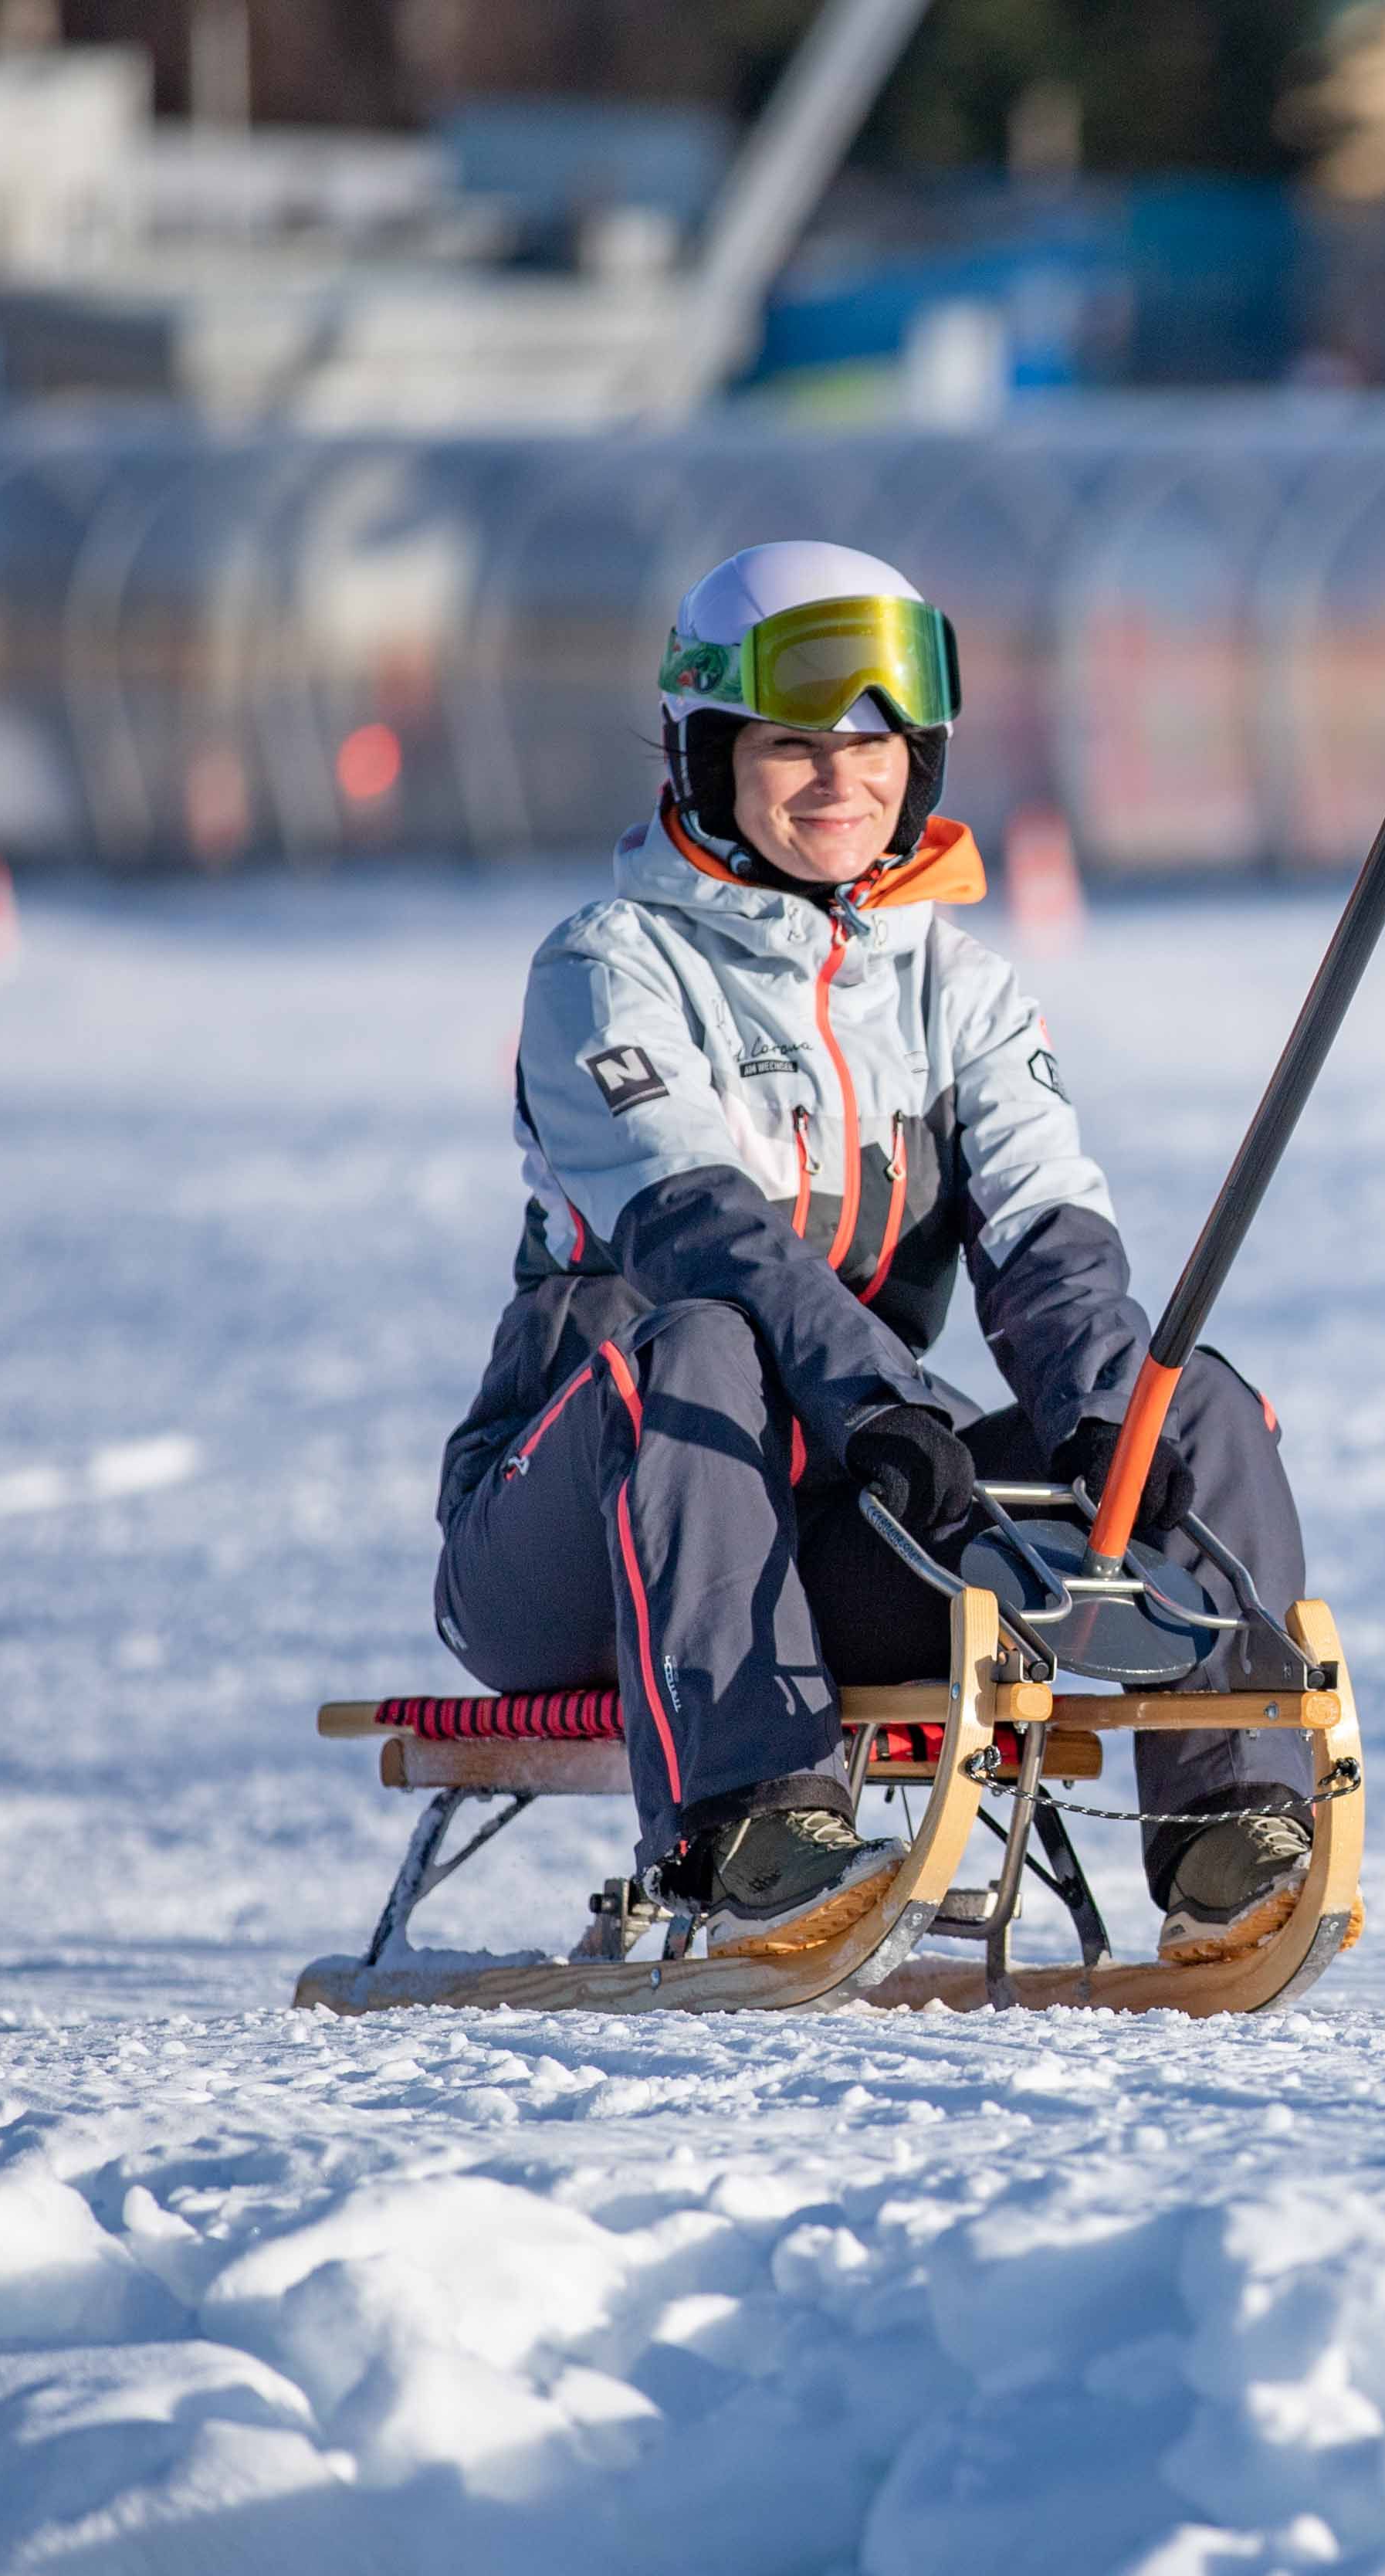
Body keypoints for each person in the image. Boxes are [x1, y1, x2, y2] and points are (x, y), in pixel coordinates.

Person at [429, 542, 1316, 1962]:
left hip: (840, 1523)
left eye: (880, 744)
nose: (845, 778)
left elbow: (1049, 1240)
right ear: (708, 754)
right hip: (572, 1544)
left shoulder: (954, 989)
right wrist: (884, 1410)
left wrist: (1099, 1421)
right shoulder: (608, 967)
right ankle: (750, 1820)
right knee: (701, 1346)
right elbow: (702, 1239)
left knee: (1181, 1395)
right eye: (794, 743)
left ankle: (1227, 1826)